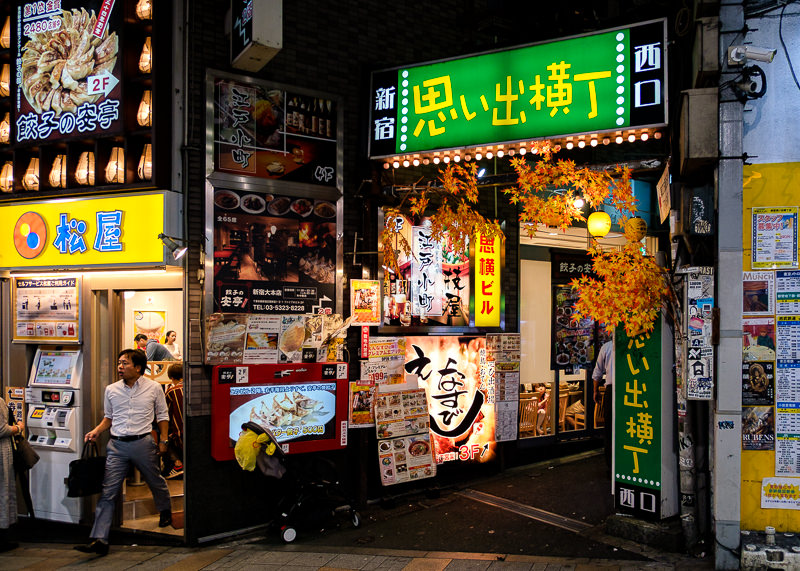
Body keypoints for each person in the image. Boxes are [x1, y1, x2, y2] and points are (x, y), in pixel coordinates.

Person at [75, 349, 172, 557]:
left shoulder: (154, 388)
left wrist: (163, 440)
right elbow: (108, 418)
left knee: (155, 480)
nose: (120, 367)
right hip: (117, 445)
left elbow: (163, 416)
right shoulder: (111, 390)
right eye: (119, 363)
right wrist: (96, 431)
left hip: (143, 443)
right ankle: (99, 539)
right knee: (108, 491)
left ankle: (165, 510)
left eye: (125, 363)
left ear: (138, 367)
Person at [0, 398, 23, 552]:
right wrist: (18, 428)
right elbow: (2, 430)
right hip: (1, 452)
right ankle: (2, 539)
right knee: (3, 492)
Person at [592, 340, 614, 471]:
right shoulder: (634, 343)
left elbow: (597, 372)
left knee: (610, 430)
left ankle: (611, 466)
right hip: (631, 389)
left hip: (611, 390)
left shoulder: (607, 346)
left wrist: (595, 391)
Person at [163, 363, 184, 479]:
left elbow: (164, 413)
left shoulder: (171, 391)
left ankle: (177, 464)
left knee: (164, 436)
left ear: (171, 377)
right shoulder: (191, 387)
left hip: (178, 433)